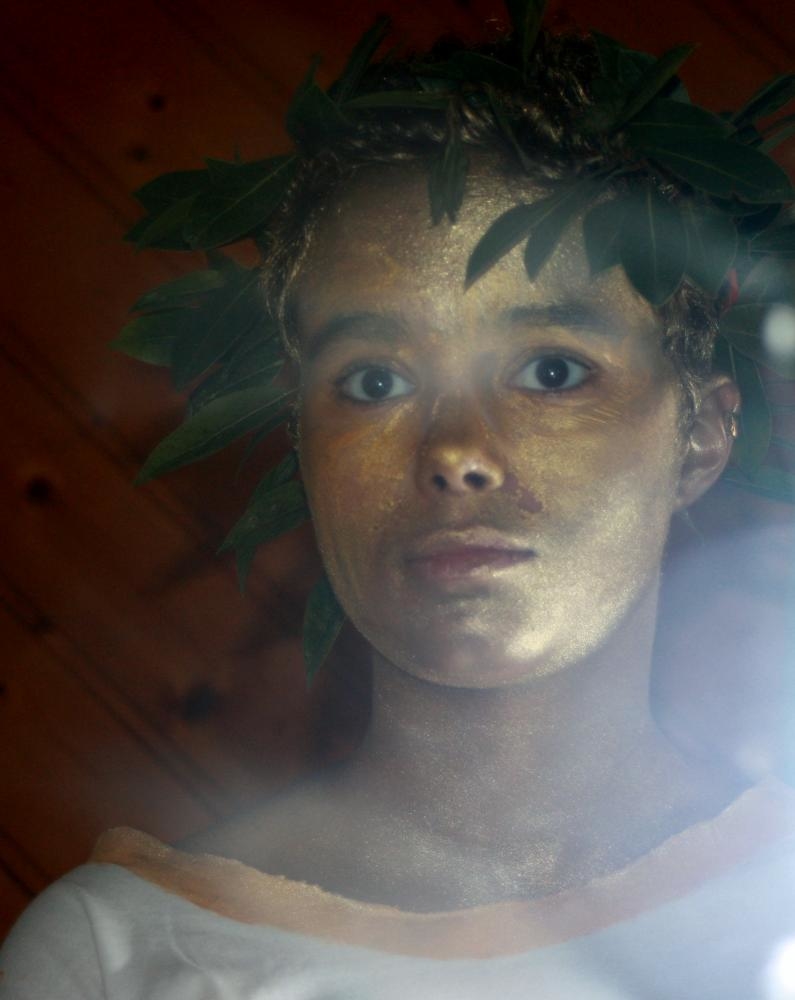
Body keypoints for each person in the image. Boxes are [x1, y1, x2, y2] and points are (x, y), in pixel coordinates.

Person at [2, 14, 795, 1000]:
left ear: (701, 434)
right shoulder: (116, 958)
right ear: (303, 441)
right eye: (374, 381)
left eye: (551, 371)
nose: (456, 451)